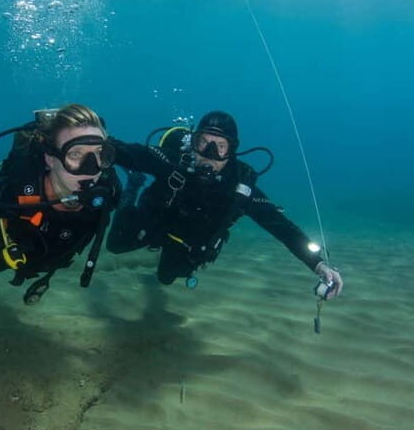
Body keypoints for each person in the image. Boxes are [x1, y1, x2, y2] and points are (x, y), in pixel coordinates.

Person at [106, 111, 343, 299]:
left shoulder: (240, 188)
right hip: (154, 221)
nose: (209, 153)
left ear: (232, 151)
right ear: (193, 142)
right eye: (203, 143)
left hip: (189, 244)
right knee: (115, 246)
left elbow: (280, 226)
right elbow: (128, 152)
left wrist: (318, 264)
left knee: (166, 278)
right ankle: (133, 186)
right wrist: (85, 143)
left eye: (220, 146)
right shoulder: (174, 162)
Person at [0, 104, 120, 304]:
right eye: (75, 154)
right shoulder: (16, 195)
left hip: (46, 258)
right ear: (50, 159)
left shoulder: (110, 193)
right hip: (10, 229)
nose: (91, 169)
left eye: (100, 153)